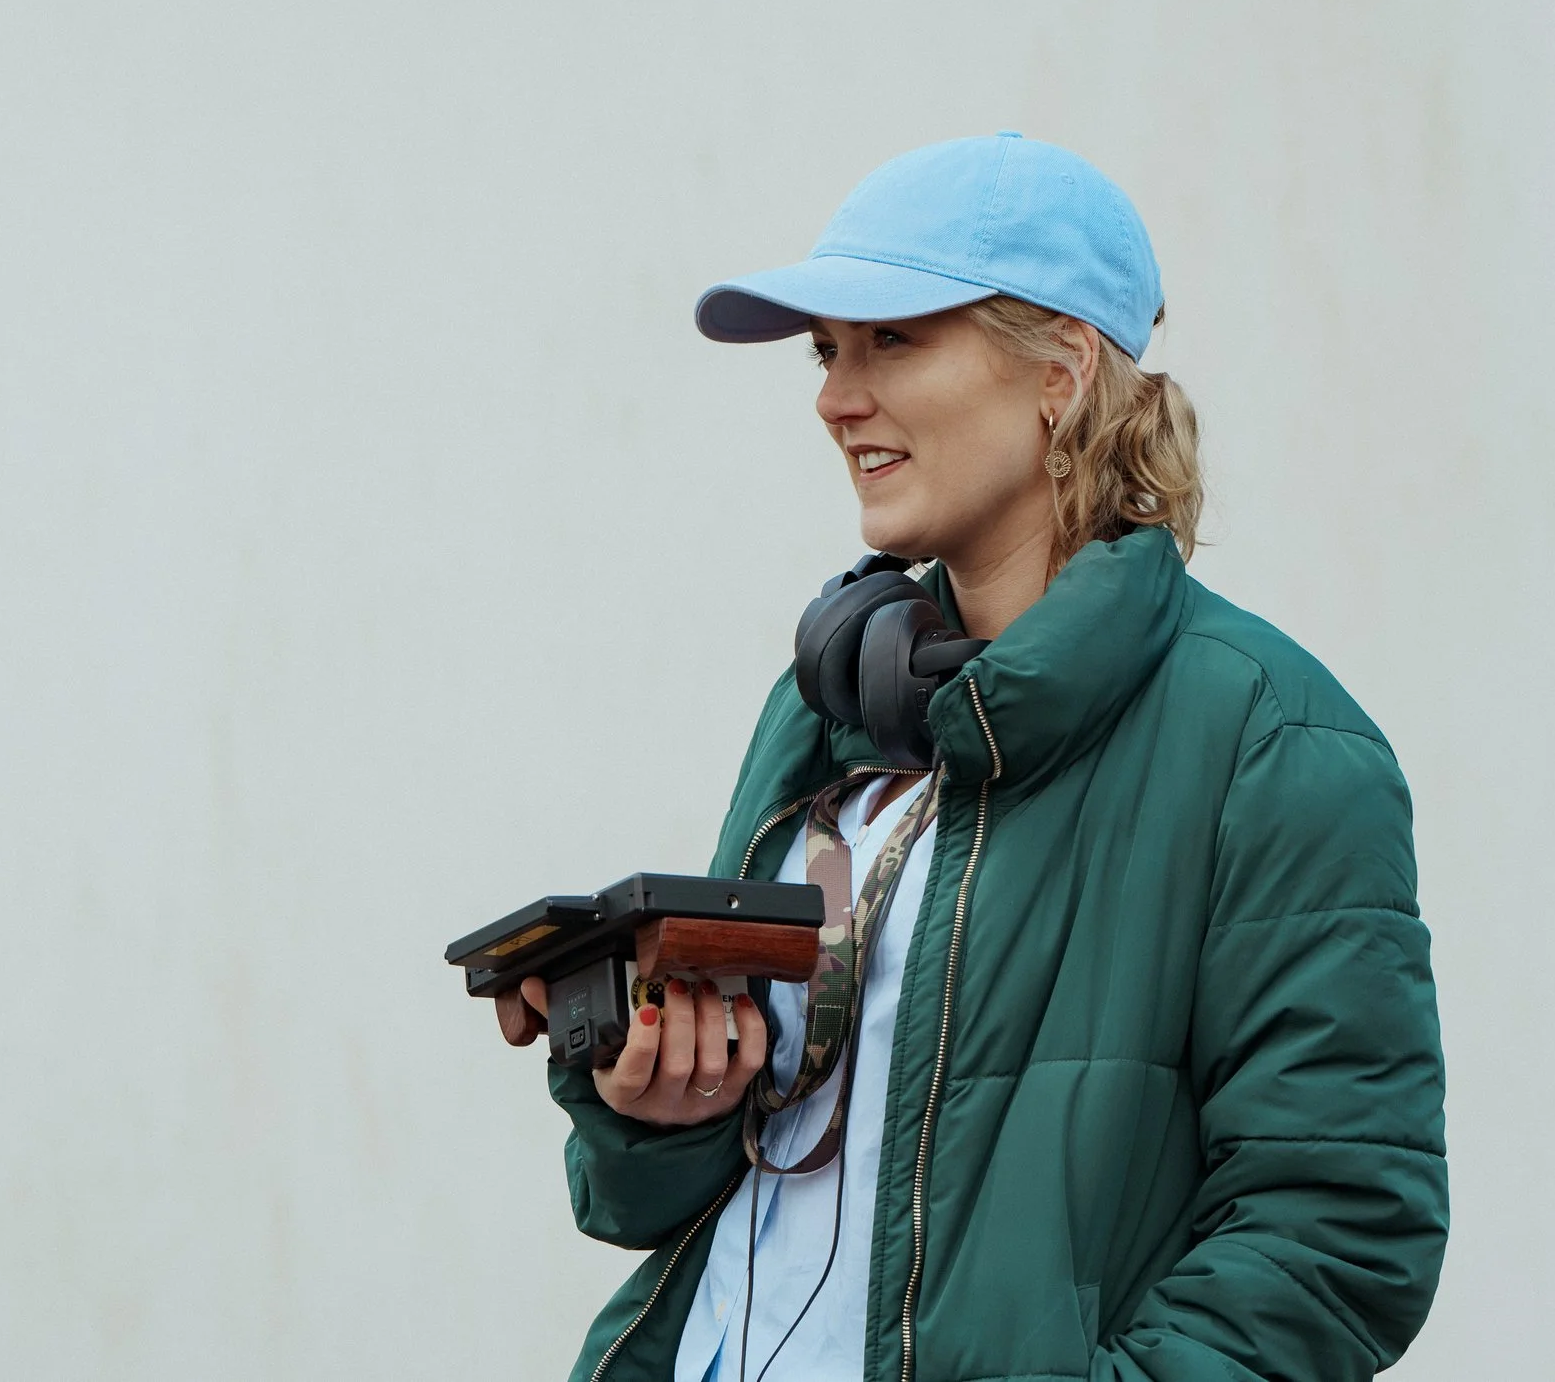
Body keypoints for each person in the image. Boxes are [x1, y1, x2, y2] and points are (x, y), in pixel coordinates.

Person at [513, 133, 1448, 1382]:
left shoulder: (1268, 742)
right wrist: (660, 1109)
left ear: (1058, 369)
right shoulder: (822, 713)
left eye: (892, 339)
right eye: (826, 350)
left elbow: (1340, 1233)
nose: (836, 395)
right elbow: (660, 1197)